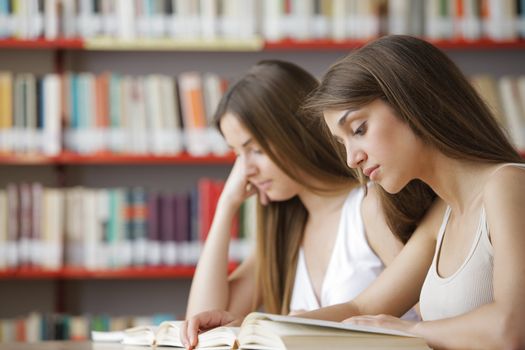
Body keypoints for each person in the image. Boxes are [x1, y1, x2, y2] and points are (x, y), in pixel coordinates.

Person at [298, 35, 524, 350]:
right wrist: (252, 328)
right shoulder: (441, 216)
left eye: (359, 130)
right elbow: (362, 308)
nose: (352, 158)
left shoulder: (508, 185)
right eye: (343, 143)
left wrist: (408, 330)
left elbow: (511, 328)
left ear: (413, 101)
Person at [181, 60, 423, 349]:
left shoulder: (369, 207)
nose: (246, 171)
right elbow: (202, 331)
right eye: (236, 155)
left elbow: (432, 318)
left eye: (255, 150)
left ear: (296, 134)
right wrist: (226, 206)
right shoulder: (286, 234)